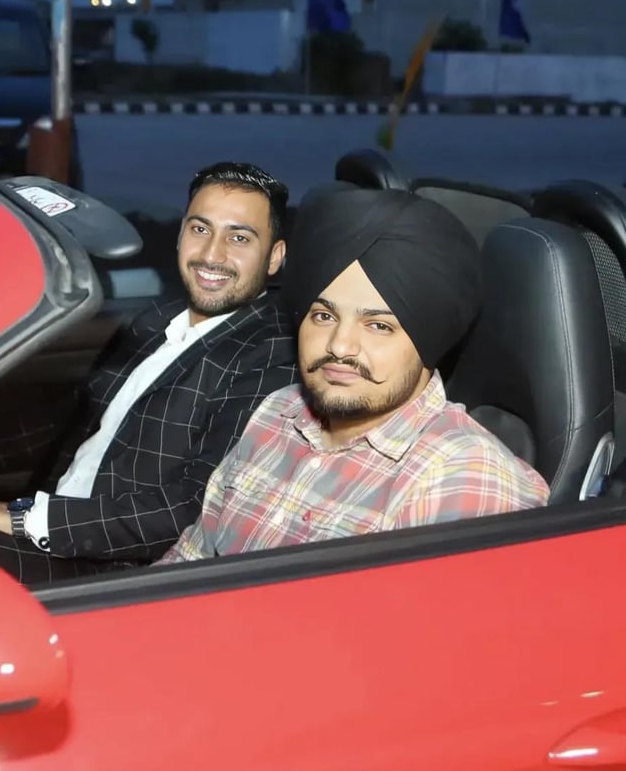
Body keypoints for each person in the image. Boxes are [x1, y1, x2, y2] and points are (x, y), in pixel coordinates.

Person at [0, 162, 299, 582]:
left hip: (110, 572)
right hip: (51, 523)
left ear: (275, 257)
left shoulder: (272, 356)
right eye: (200, 229)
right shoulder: (158, 319)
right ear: (180, 235)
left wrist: (24, 520)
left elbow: (196, 506)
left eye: (239, 238)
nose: (212, 254)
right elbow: (67, 421)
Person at [156, 187, 549, 564]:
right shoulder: (277, 413)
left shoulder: (461, 480)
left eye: (378, 326)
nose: (340, 346)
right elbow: (191, 558)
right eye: (323, 316)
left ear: (429, 340)